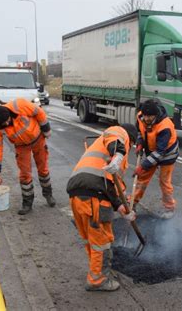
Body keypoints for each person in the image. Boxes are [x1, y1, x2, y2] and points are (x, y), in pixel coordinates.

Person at [66, 124, 138, 291]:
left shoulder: (102, 155)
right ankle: (97, 280)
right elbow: (115, 138)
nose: (130, 147)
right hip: (95, 196)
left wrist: (122, 207)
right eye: (132, 144)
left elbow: (114, 187)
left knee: (90, 239)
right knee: (102, 241)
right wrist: (119, 153)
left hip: (77, 193)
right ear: (131, 138)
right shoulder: (120, 133)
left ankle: (96, 271)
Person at [0, 98, 56, 215]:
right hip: (21, 146)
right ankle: (27, 203)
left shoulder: (20, 105)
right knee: (25, 175)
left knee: (43, 169)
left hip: (38, 139)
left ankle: (48, 195)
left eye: (7, 121)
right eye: (3, 124)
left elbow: (39, 112)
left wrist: (46, 130)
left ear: (9, 114)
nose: (5, 124)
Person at [132, 99, 179, 219]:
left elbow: (160, 152)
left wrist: (142, 166)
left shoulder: (165, 126)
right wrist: (140, 142)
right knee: (142, 179)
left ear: (156, 115)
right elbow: (139, 131)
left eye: (150, 116)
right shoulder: (140, 116)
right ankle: (132, 203)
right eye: (145, 115)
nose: (146, 119)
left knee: (164, 182)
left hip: (167, 154)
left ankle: (169, 208)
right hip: (152, 150)